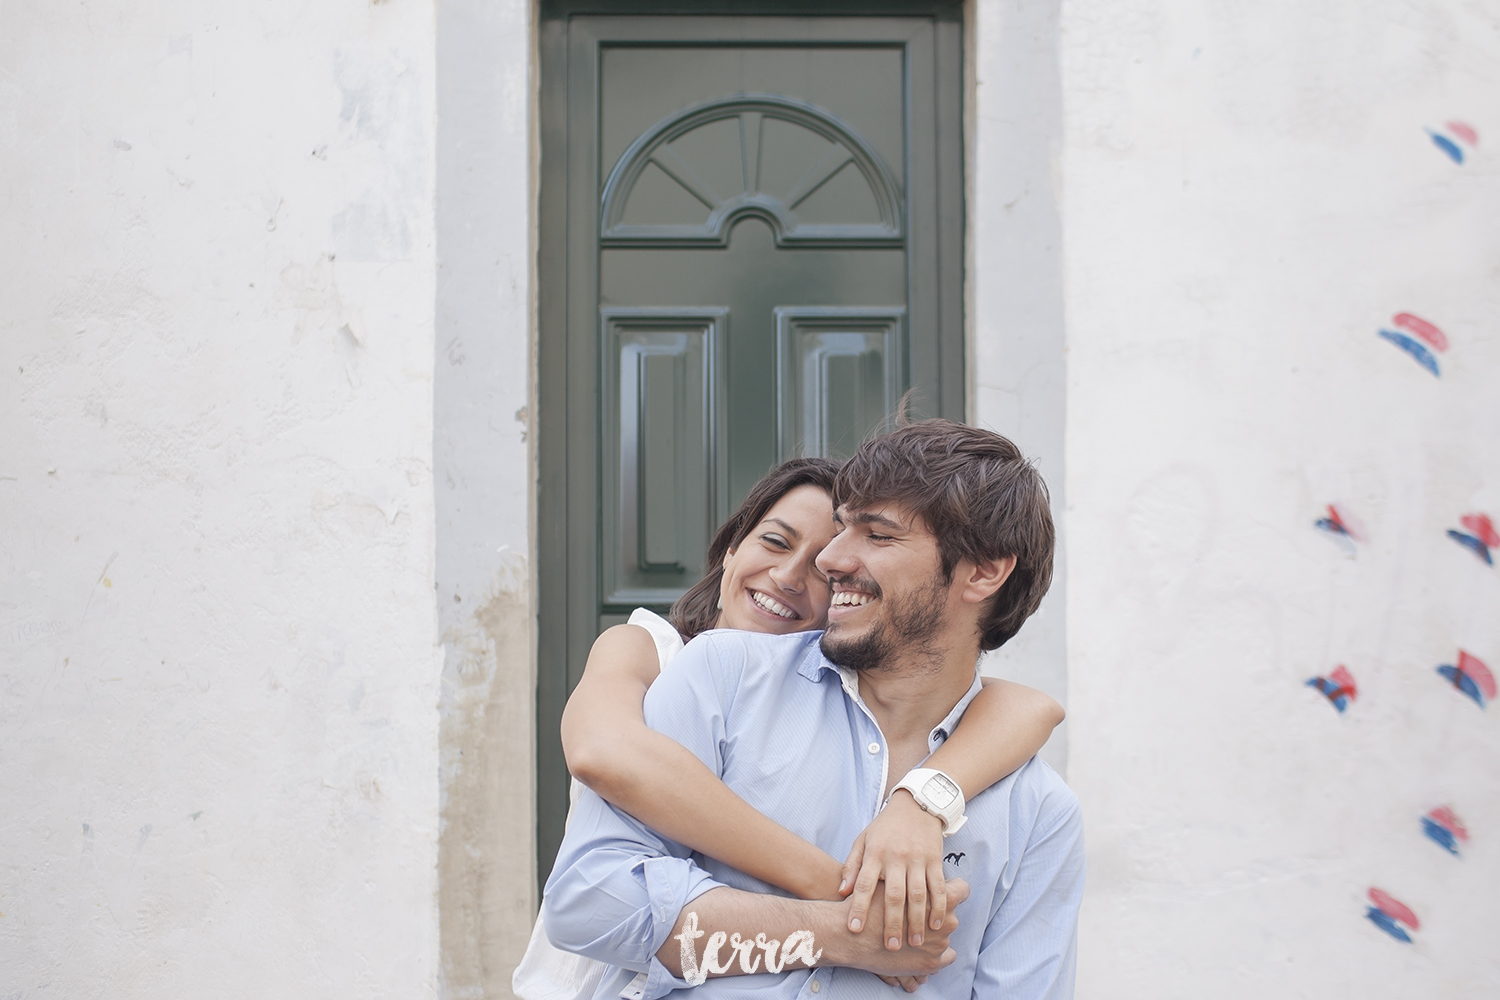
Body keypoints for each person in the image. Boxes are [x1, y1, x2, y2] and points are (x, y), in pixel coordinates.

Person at [542, 420, 1084, 999]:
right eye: (843, 528)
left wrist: (923, 800)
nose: (829, 558)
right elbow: (588, 902)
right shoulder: (717, 675)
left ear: (983, 571)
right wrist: (841, 928)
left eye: (877, 536)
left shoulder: (1036, 813)